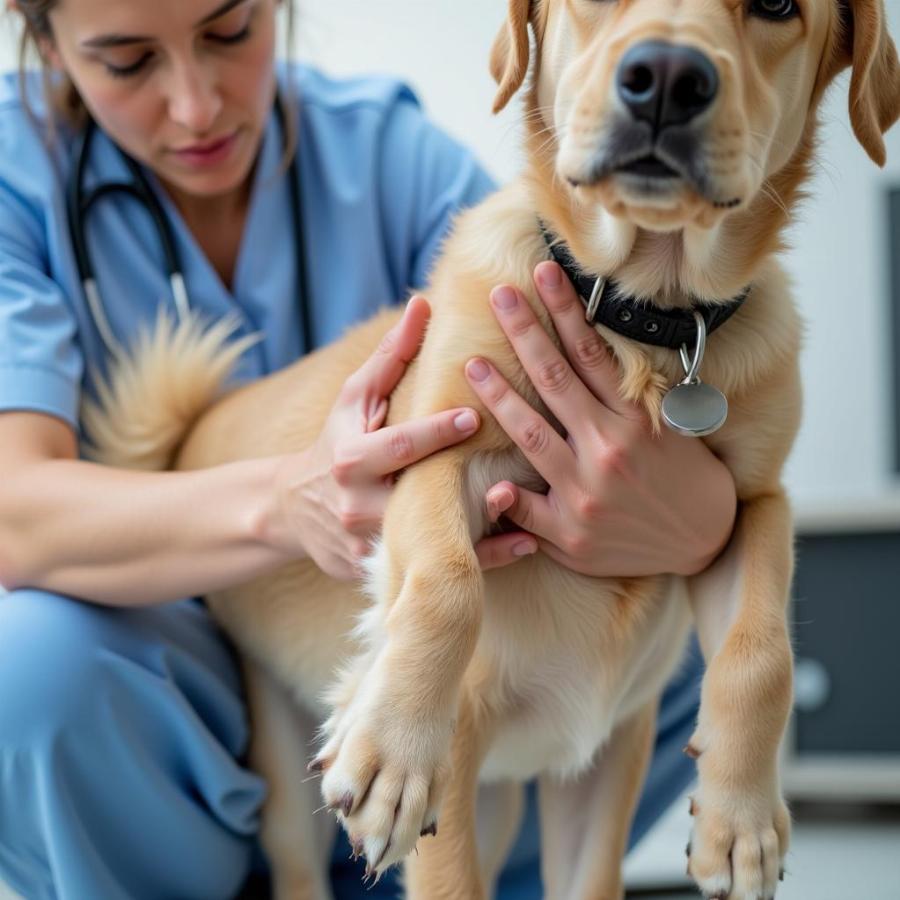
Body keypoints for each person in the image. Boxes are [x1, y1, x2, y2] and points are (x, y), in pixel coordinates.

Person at [0, 1, 738, 897]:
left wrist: (702, 522)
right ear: (44, 44)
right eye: (125, 62)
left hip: (444, 713)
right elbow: (14, 515)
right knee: (31, 666)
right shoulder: (15, 178)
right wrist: (285, 501)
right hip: (166, 683)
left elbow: (593, 349)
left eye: (229, 34)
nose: (195, 106)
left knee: (674, 625)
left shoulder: (385, 151)